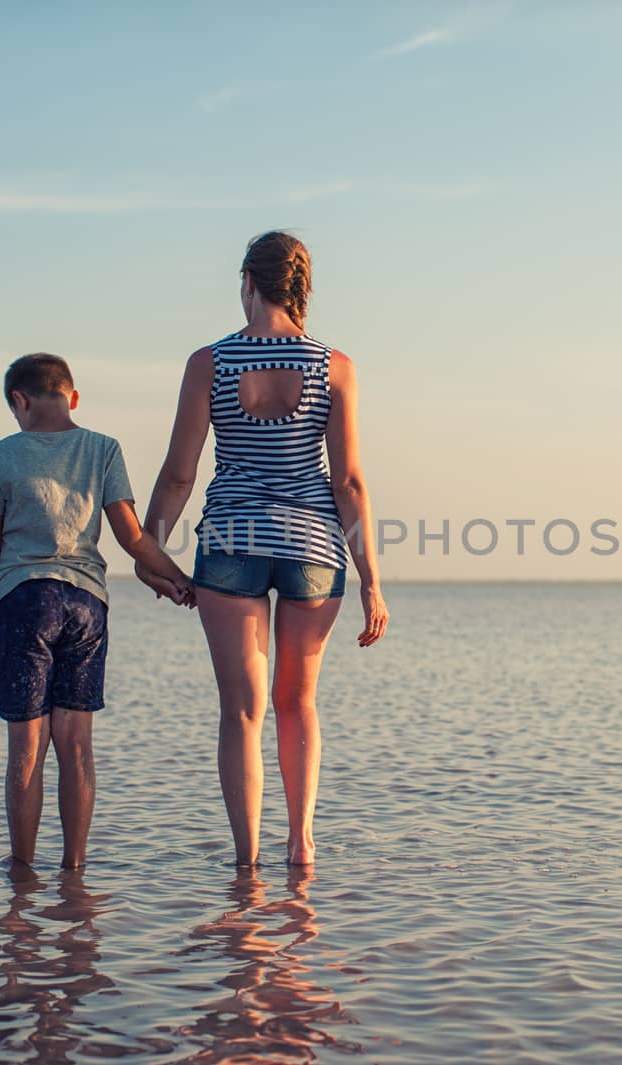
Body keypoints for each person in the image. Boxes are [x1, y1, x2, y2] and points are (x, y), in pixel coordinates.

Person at [137, 231, 389, 867]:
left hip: (231, 542)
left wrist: (149, 550)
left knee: (241, 713)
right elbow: (349, 481)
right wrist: (371, 578)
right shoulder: (335, 366)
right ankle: (301, 848)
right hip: (313, 547)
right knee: (297, 704)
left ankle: (247, 863)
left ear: (247, 281)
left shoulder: (209, 363)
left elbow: (178, 475)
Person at [0, 353, 194, 870]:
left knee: (27, 746)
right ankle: (75, 871)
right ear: (73, 397)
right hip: (86, 604)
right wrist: (178, 579)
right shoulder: (103, 449)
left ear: (19, 401)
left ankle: (21, 876)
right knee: (77, 745)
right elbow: (132, 536)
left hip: (23, 600)